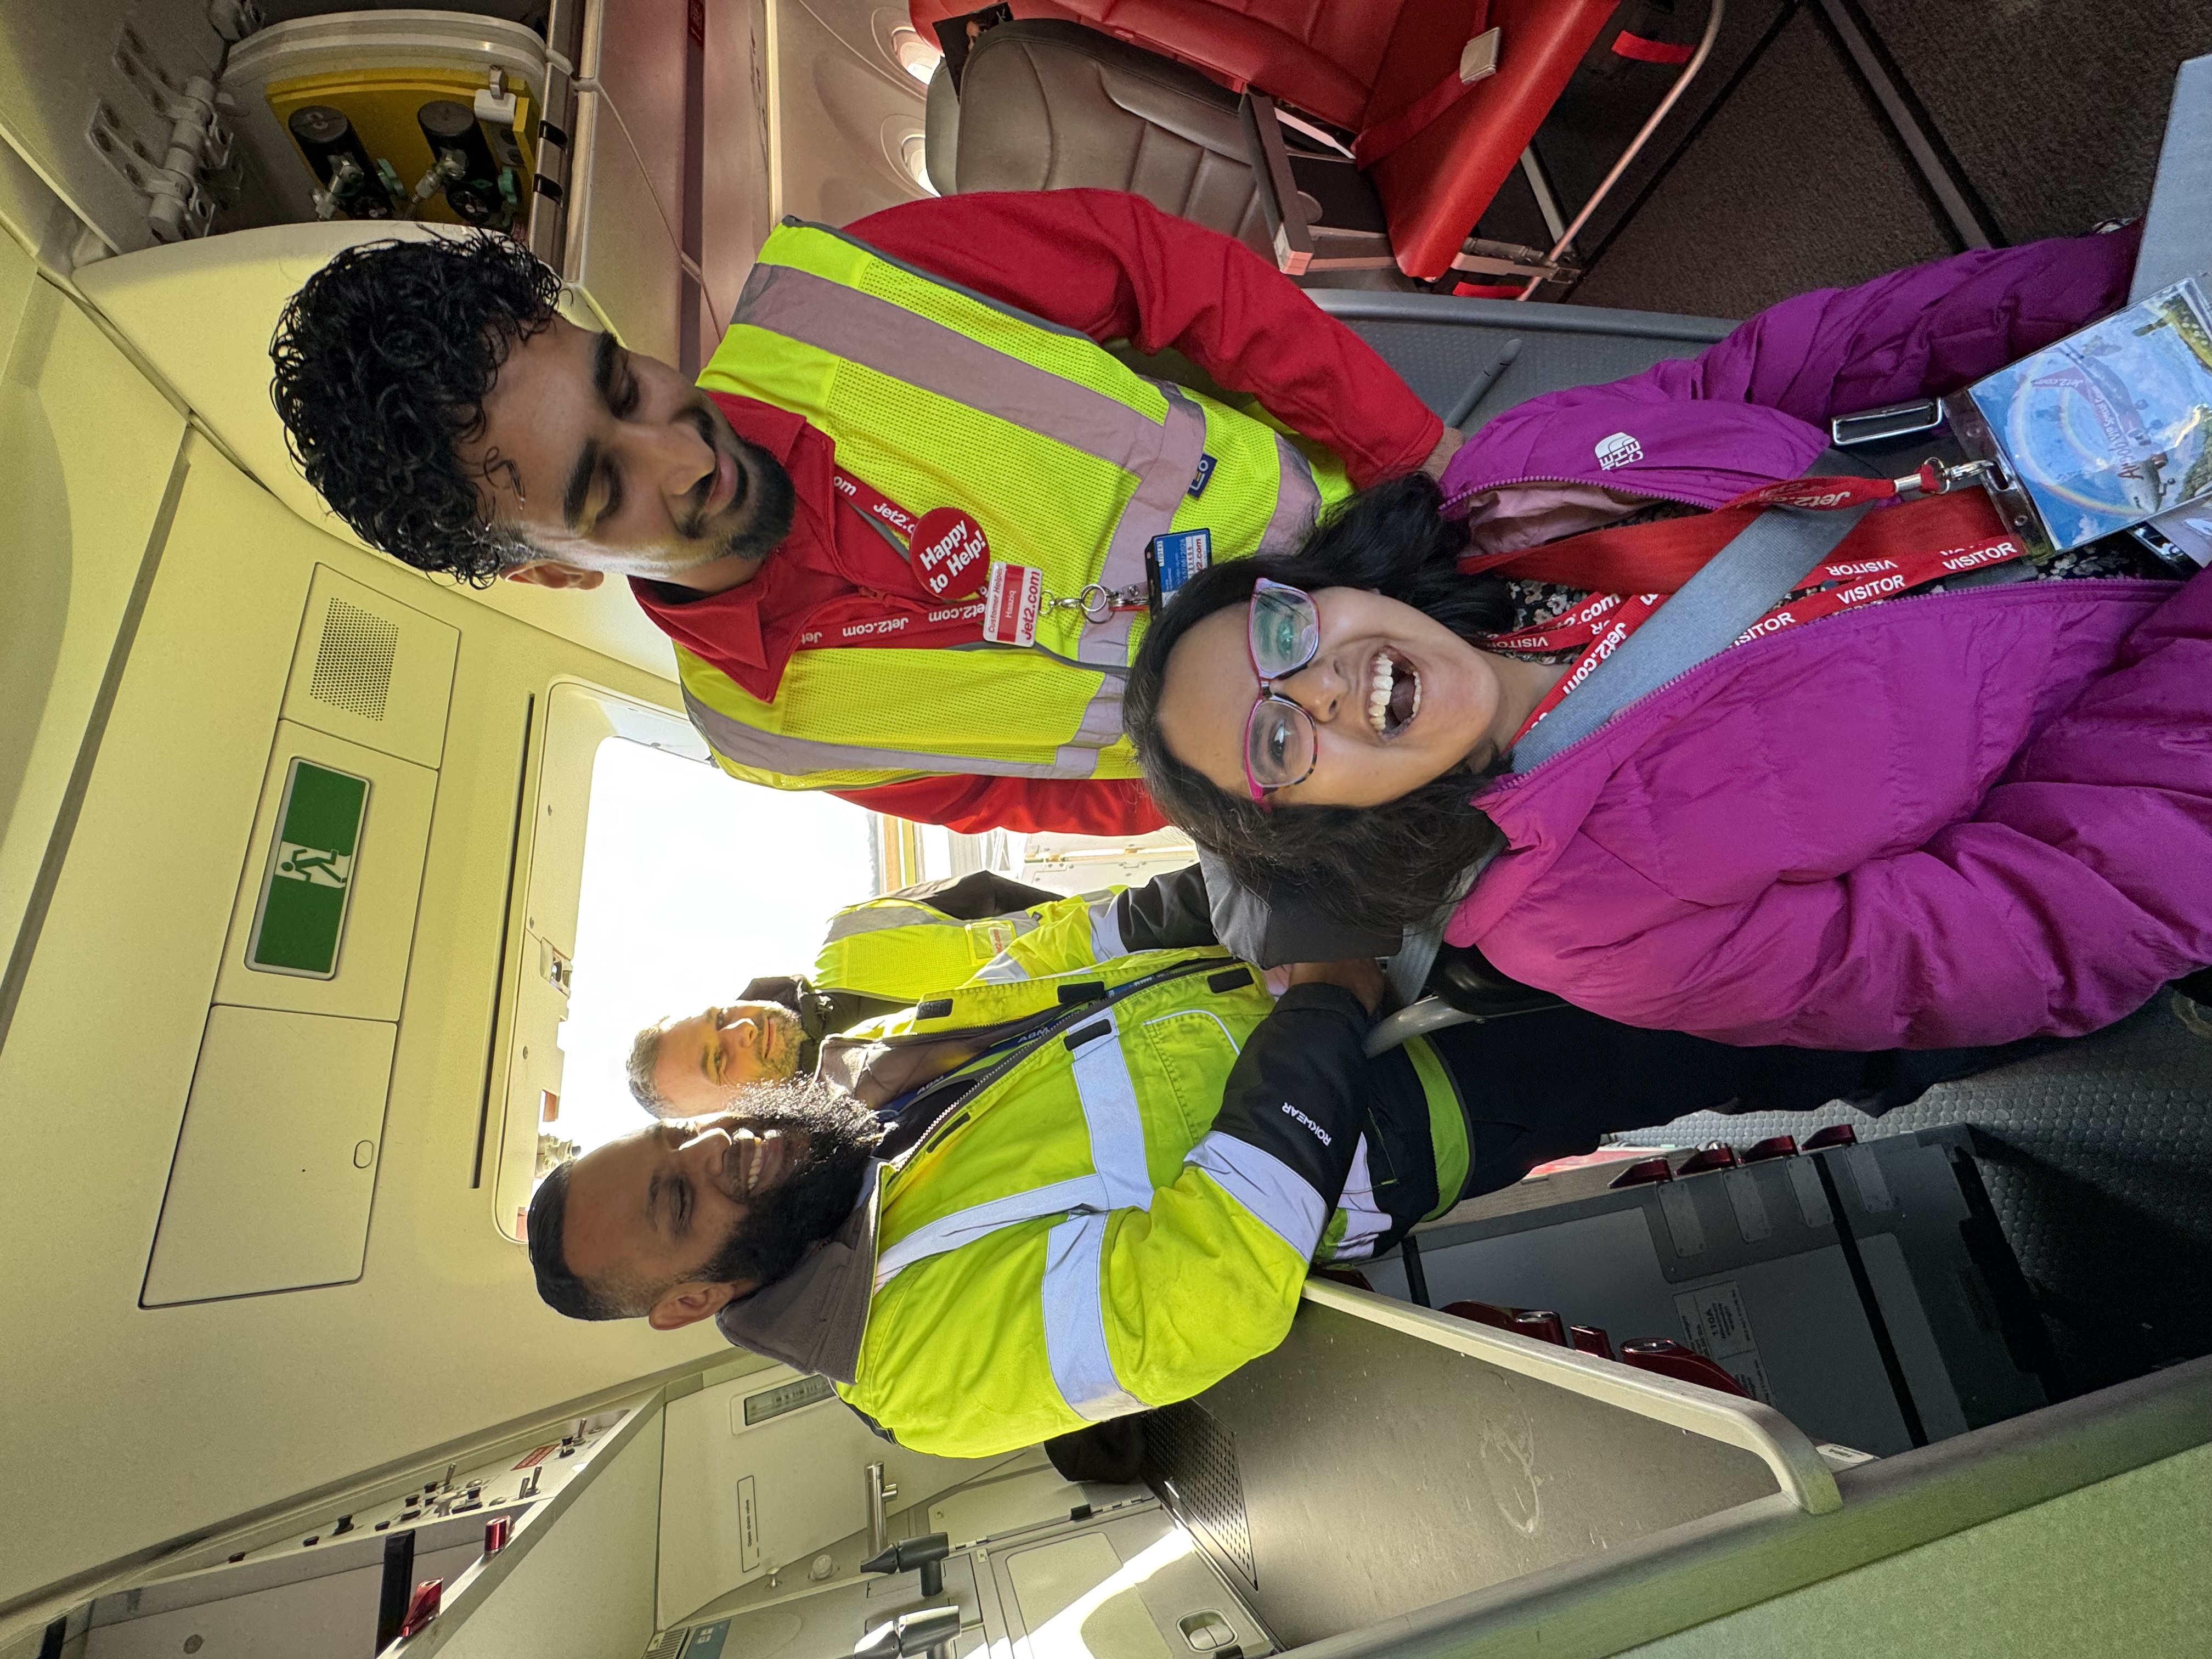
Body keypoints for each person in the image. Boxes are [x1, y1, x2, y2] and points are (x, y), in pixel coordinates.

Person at [525, 865, 2050, 1458]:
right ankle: (2063, 974)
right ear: (689, 1302)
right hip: (1391, 1107)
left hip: (1337, 979)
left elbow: (1076, 961)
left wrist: (1247, 880)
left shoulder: (869, 1122)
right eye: (681, 1196)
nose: (720, 1145)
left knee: (1702, 911)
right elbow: (1209, 1292)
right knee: (1749, 1036)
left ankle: (2003, 889)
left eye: (683, 1137)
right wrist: (1321, 1011)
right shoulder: (912, 1364)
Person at [1123, 229, 2212, 1052]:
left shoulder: (1516, 478)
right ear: (1327, 828)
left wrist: (2125, 295)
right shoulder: (1585, 929)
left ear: (1323, 585)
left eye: (1283, 633)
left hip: (2119, 413)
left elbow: (1818, 356)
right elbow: (2048, 917)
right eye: (1276, 743)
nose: (1317, 688)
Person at [268, 190, 1455, 839]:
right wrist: (1272, 801)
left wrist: (1419, 462)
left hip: (1405, 527)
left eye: (626, 385)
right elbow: (1044, 796)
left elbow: (1165, 274)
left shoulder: (838, 293)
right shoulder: (761, 735)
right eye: (602, 489)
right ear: (551, 572)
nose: (681, 453)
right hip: (1332, 768)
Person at [627, 870, 1104, 1117]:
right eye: (719, 1060)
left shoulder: (849, 932)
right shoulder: (853, 1144)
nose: (743, 1028)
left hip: (1144, 933)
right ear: (727, 1116)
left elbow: (990, 893)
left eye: (720, 1018)